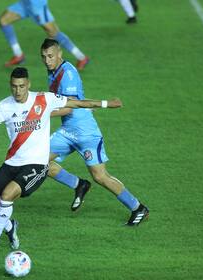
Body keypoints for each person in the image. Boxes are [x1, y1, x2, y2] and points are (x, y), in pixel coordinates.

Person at [0, 67, 122, 256]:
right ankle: (10, 226)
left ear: (28, 85)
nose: (17, 91)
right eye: (14, 87)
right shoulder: (4, 106)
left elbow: (77, 103)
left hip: (36, 164)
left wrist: (107, 103)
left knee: (7, 196)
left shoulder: (44, 99)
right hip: (12, 163)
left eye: (21, 86)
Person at [40, 38, 149, 226]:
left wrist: (40, 114)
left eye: (50, 56)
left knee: (100, 176)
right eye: (43, 57)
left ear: (60, 54)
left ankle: (138, 207)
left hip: (86, 133)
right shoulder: (53, 71)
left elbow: (69, 108)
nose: (47, 60)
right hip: (68, 131)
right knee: (38, 161)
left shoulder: (68, 74)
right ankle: (78, 185)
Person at [0, 0, 90, 70]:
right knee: (4, 21)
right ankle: (18, 55)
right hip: (25, 3)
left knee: (53, 33)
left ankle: (81, 57)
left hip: (37, 5)